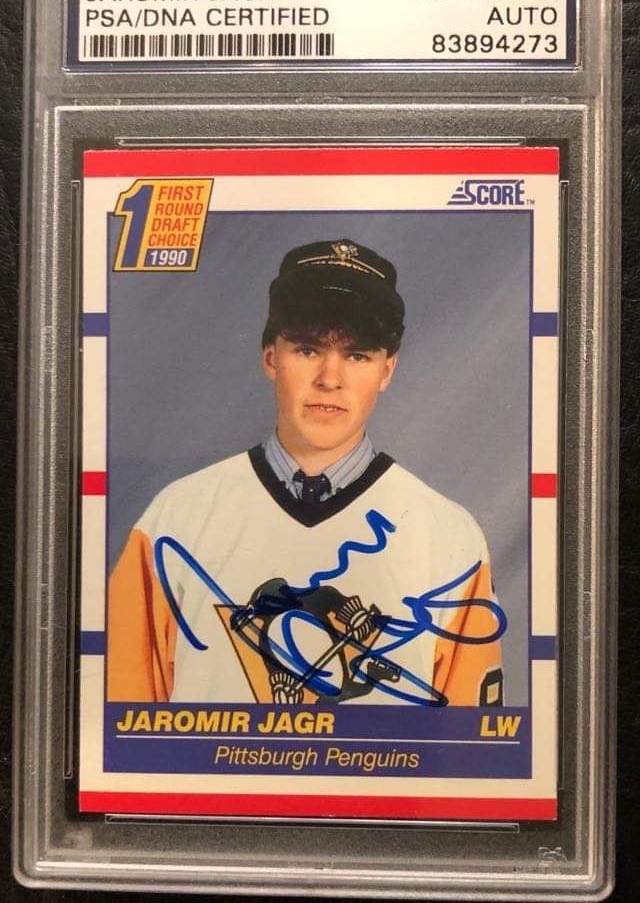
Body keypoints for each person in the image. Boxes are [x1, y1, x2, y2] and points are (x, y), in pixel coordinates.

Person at [107, 239, 505, 706]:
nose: (330, 379)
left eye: (357, 355)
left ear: (387, 370)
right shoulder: (174, 518)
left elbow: (471, 743)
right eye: (308, 350)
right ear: (271, 358)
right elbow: (117, 723)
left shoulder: (450, 534)